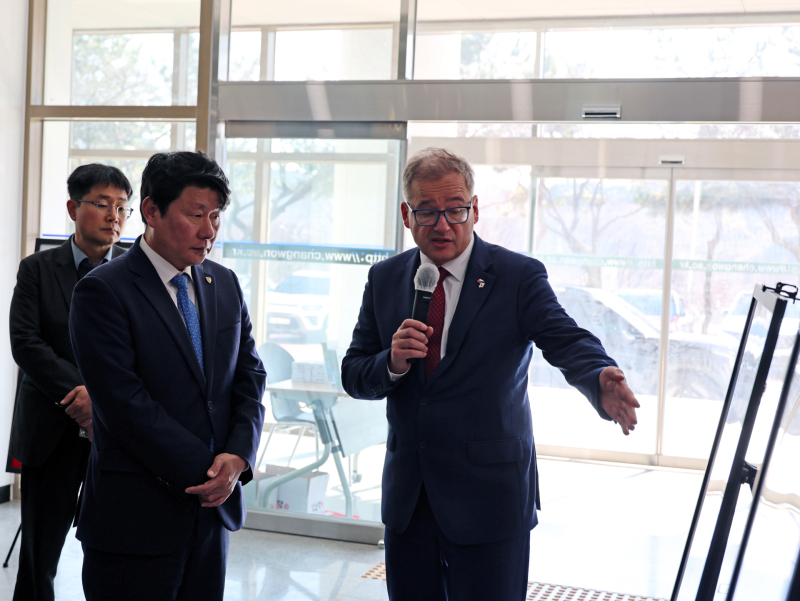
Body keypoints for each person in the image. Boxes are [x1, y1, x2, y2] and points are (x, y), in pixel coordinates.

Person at [341, 147, 640, 601]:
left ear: (475, 209)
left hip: (490, 499)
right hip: (410, 502)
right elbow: (354, 371)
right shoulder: (385, 279)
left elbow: (564, 336)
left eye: (455, 209)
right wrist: (391, 362)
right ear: (406, 215)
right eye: (427, 211)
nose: (443, 225)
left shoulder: (516, 276)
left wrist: (598, 375)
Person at [68, 151, 266, 601]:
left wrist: (238, 456)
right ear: (152, 211)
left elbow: (249, 375)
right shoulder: (103, 290)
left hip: (211, 518)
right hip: (135, 520)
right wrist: (210, 471)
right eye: (196, 215)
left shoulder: (224, 283)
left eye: (215, 216)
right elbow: (124, 404)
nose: (209, 230)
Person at [9, 163, 132, 601]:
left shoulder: (137, 273)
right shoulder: (38, 269)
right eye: (102, 204)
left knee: (119, 554)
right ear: (72, 208)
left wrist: (101, 398)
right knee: (39, 558)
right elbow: (26, 343)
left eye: (122, 207)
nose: (114, 215)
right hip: (51, 431)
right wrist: (81, 394)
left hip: (117, 435)